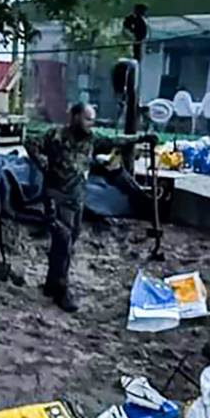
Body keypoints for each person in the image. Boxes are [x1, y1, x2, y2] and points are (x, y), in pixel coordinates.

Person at [25, 103, 156, 312]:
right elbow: (30, 142)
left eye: (92, 120)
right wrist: (42, 162)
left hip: (77, 199)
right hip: (57, 198)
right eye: (87, 119)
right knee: (64, 241)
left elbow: (117, 140)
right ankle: (61, 290)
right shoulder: (56, 135)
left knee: (67, 241)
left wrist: (141, 138)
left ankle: (51, 284)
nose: (90, 124)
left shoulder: (92, 139)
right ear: (75, 117)